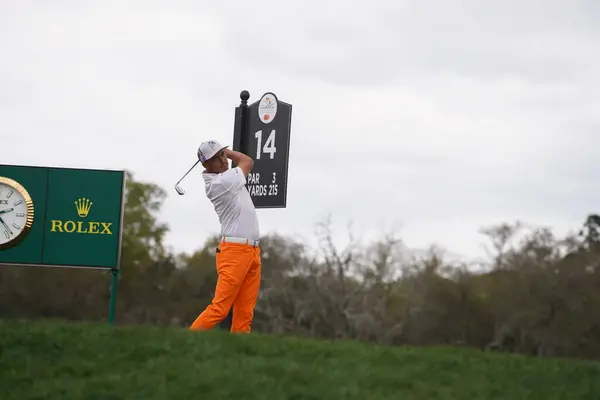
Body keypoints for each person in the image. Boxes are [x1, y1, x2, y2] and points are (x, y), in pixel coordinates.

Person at [189, 139, 261, 334]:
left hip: (251, 251)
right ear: (206, 165)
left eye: (222, 155)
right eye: (216, 158)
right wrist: (228, 152)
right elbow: (247, 161)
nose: (222, 160)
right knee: (219, 309)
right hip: (234, 252)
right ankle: (185, 343)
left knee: (244, 313)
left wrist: (220, 151)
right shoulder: (221, 182)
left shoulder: (227, 177)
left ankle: (237, 357)